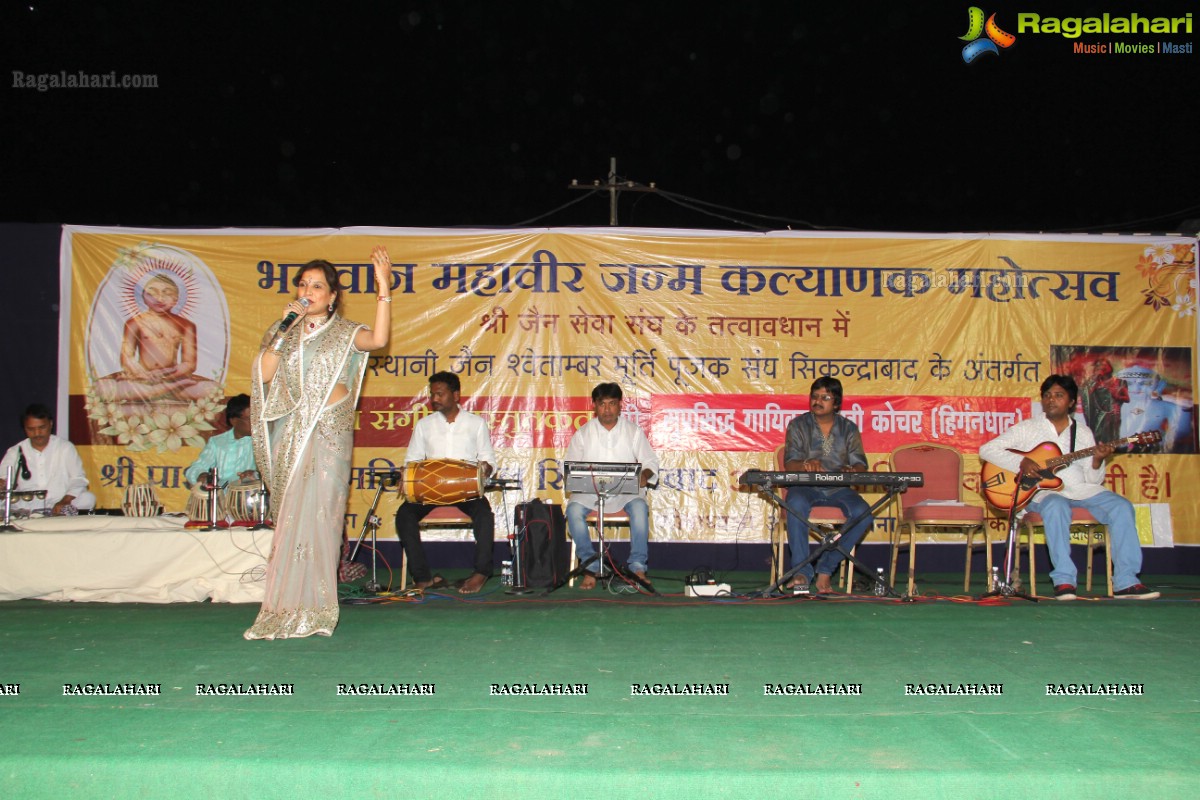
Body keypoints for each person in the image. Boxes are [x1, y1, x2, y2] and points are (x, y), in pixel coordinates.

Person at [244, 247, 392, 640]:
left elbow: (378, 340)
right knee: (293, 518)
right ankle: (283, 607)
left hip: (330, 432)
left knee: (322, 517)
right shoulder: (283, 332)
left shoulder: (344, 332)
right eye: (303, 284)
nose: (308, 291)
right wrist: (282, 329)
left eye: (317, 286)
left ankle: (316, 608)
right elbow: (264, 373)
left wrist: (383, 290)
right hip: (293, 433)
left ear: (331, 296)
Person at [979, 375, 1159, 600]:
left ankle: (1126, 581)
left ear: (1072, 402)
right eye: (1047, 396)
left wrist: (1097, 461)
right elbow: (986, 450)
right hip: (1043, 493)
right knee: (1056, 504)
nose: (1051, 400)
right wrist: (1021, 462)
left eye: (1058, 395)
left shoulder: (1083, 433)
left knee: (1121, 506)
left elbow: (1093, 481)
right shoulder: (1028, 428)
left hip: (1081, 490)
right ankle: (1064, 581)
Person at [396, 372, 497, 594]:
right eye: (432, 394)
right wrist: (406, 474)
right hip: (430, 490)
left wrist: (486, 468)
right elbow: (413, 459)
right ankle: (422, 578)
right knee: (404, 515)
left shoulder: (475, 423)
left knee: (484, 514)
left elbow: (489, 459)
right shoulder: (424, 425)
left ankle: (481, 573)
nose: (435, 399)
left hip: (465, 490)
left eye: (440, 394)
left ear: (456, 395)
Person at [563, 382, 659, 589]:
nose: (607, 410)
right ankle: (591, 566)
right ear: (594, 406)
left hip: (626, 492)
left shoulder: (633, 431)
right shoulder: (583, 433)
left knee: (640, 508)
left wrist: (646, 475)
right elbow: (570, 466)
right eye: (602, 404)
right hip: (591, 492)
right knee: (573, 510)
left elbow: (650, 462)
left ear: (620, 405)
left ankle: (637, 567)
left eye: (612, 404)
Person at [782, 376, 871, 594]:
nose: (818, 401)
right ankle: (802, 572)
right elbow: (789, 463)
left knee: (864, 514)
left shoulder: (848, 428)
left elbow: (861, 465)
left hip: (838, 488)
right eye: (814, 396)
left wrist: (852, 471)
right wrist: (805, 464)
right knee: (794, 504)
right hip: (805, 486)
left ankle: (826, 568)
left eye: (825, 397)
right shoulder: (798, 425)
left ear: (837, 403)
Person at [93, 272, 217, 403]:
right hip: (141, 379)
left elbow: (189, 364)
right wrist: (142, 374)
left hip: (173, 377)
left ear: (176, 298)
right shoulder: (134, 323)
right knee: (100, 388)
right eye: (152, 293)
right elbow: (127, 358)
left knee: (213, 389)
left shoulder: (186, 326)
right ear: (143, 296)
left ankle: (159, 390)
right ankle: (165, 391)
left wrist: (168, 374)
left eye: (167, 293)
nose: (159, 298)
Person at [0, 404, 96, 515]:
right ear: (25, 428)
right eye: (31, 429)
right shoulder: (15, 451)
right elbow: (4, 480)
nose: (37, 434)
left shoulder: (65, 447)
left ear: (50, 424)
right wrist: (2, 484)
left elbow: (79, 479)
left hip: (58, 503)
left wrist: (64, 501)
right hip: (26, 506)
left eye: (41, 428)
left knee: (88, 498)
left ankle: (59, 514)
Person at [184, 393, 257, 488]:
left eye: (257, 418)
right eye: (249, 418)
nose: (255, 422)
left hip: (251, 497)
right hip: (220, 498)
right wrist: (201, 475)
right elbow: (196, 468)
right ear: (234, 420)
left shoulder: (262, 442)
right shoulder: (217, 442)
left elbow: (273, 470)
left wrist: (255, 474)